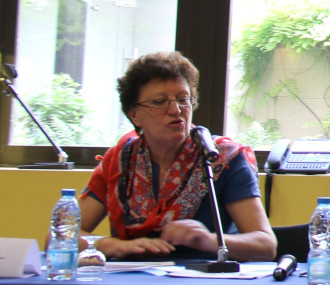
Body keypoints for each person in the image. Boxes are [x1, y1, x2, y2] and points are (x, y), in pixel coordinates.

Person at [80, 51, 277, 261]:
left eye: (183, 99)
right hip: (130, 283)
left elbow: (265, 245)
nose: (175, 110)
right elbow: (61, 236)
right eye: (158, 102)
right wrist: (113, 246)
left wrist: (206, 240)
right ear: (134, 115)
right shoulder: (119, 160)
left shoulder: (221, 157)